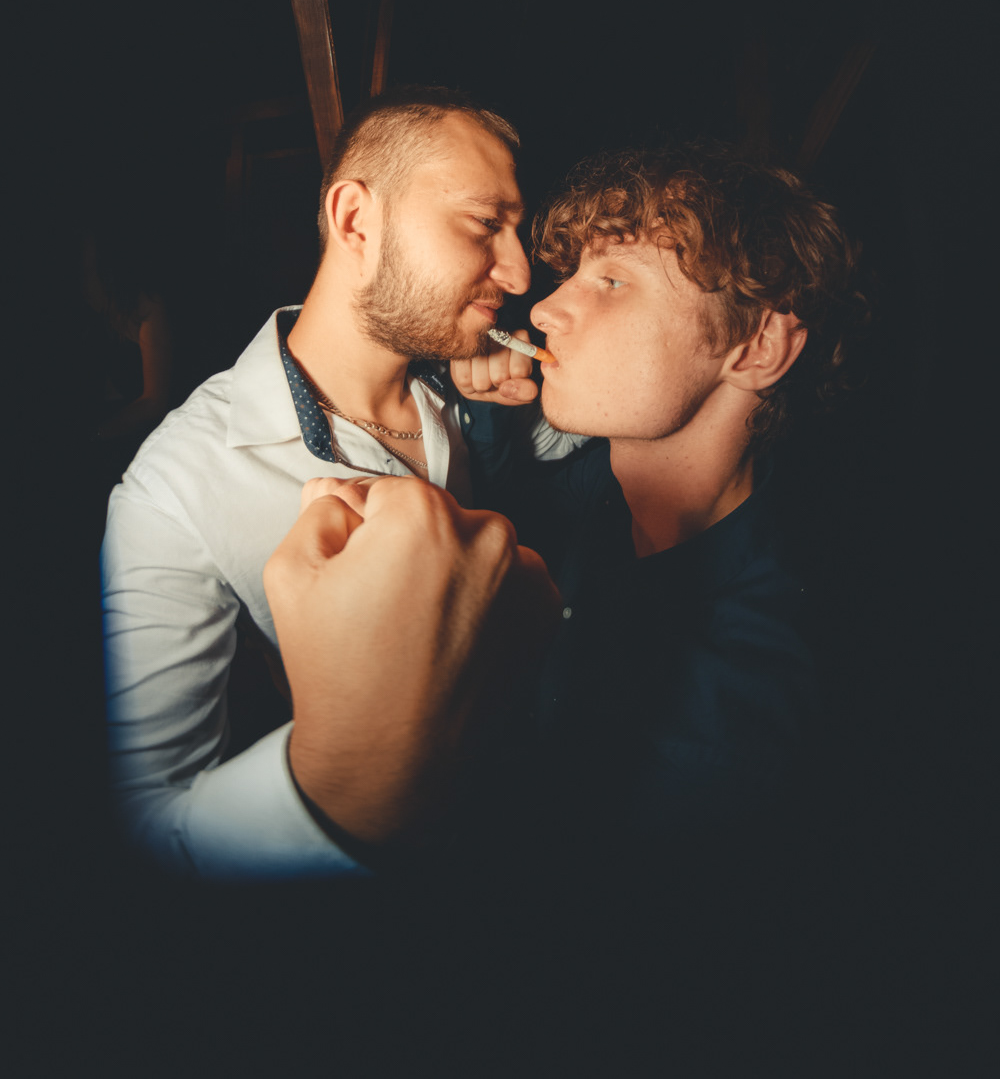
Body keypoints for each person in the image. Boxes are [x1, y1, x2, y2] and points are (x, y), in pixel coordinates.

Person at [269, 141, 865, 873]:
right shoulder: (588, 490)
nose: (546, 310)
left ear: (760, 345)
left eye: (612, 281)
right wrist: (489, 411)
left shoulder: (729, 714)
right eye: (571, 275)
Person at [101, 87, 578, 880]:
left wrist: (547, 386)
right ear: (355, 219)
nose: (520, 270)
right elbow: (143, 821)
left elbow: (573, 447)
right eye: (483, 223)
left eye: (517, 230)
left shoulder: (460, 385)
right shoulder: (175, 489)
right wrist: (339, 790)